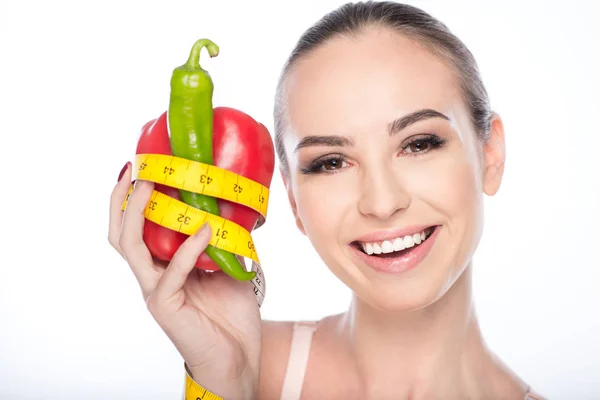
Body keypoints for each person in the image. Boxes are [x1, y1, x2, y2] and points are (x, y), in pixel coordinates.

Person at [108, 1, 547, 399]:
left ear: (491, 155)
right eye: (332, 162)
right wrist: (225, 384)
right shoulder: (241, 368)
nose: (381, 201)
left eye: (418, 144)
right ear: (293, 201)